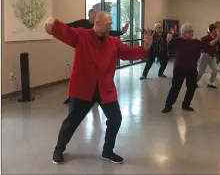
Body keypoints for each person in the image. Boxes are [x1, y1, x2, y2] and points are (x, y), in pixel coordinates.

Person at [44, 11, 153, 164]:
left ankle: (108, 151)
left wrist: (145, 47)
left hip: (105, 89)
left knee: (115, 119)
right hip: (83, 89)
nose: (111, 26)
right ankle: (59, 148)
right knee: (71, 122)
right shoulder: (81, 36)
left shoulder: (113, 43)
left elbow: (128, 52)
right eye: (108, 23)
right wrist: (52, 21)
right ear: (97, 23)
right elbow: (64, 31)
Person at [63, 8, 129, 104]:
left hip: (96, 55)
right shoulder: (82, 23)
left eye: (96, 16)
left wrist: (121, 32)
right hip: (84, 55)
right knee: (78, 77)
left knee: (96, 77)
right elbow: (68, 28)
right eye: (93, 15)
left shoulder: (99, 27)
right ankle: (73, 97)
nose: (95, 17)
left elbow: (109, 32)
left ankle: (96, 97)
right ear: (89, 15)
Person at [161, 23, 220, 113]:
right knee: (175, 87)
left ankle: (186, 104)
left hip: (192, 69)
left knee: (191, 87)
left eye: (191, 32)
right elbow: (169, 45)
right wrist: (168, 39)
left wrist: (217, 38)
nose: (191, 34)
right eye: (188, 32)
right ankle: (168, 105)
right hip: (179, 68)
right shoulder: (178, 41)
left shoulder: (196, 42)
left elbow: (208, 45)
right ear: (183, 33)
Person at [197, 23, 220, 88]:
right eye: (216, 29)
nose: (217, 31)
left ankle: (210, 83)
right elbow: (210, 44)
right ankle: (194, 82)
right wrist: (217, 38)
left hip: (212, 56)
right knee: (201, 72)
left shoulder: (215, 38)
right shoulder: (205, 38)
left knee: (215, 70)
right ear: (212, 30)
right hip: (205, 55)